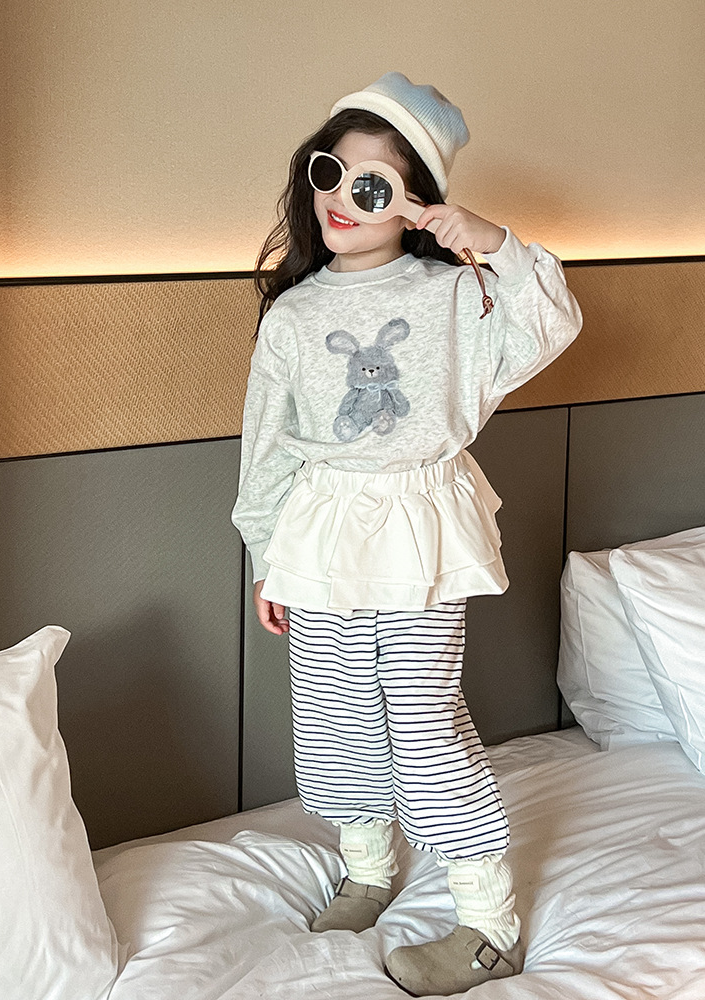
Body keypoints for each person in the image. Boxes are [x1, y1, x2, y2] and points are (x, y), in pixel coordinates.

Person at [231, 71, 582, 997]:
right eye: (329, 172)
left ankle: (488, 920)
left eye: (372, 184)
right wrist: (267, 555)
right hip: (318, 531)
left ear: (416, 200)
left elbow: (552, 321)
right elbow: (266, 446)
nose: (342, 199)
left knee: (423, 719)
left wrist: (490, 241)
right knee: (333, 711)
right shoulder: (295, 315)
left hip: (420, 527)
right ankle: (369, 868)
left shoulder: (458, 296)